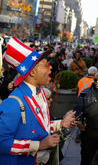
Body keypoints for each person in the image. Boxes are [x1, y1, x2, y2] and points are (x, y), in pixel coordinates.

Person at [0, 37, 78, 165]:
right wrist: (38, 145)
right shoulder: (14, 102)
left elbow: (40, 125)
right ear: (32, 72)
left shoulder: (40, 92)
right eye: (45, 65)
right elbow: (2, 142)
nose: (50, 68)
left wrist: (60, 123)